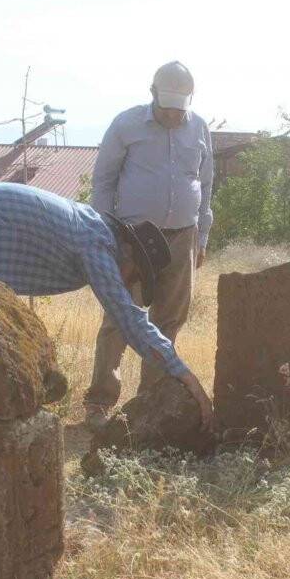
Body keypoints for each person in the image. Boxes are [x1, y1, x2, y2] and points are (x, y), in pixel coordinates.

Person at [0, 181, 214, 426]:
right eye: (135, 275)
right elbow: (128, 317)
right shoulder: (97, 244)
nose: (129, 284)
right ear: (127, 251)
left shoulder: (93, 229)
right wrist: (185, 375)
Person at [84, 60, 214, 424]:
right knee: (120, 316)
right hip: (131, 238)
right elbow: (103, 183)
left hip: (182, 238)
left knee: (169, 319)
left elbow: (205, 186)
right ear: (152, 93)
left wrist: (201, 237)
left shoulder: (200, 128)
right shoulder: (126, 125)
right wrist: (105, 235)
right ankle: (100, 401)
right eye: (166, 105)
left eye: (179, 107)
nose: (172, 114)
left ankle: (149, 404)